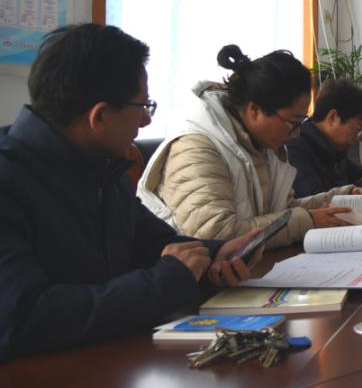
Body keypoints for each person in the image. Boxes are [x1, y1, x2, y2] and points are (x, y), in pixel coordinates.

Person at [0, 24, 261, 362]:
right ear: (99, 116)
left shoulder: (104, 168)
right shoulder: (10, 179)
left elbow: (154, 245)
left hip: (108, 364)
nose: (146, 121)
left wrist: (216, 255)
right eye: (143, 106)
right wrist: (168, 282)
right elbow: (21, 318)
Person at [138, 46, 360, 246]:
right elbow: (215, 233)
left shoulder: (262, 143)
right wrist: (308, 221)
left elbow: (283, 209)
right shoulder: (196, 147)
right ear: (255, 110)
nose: (297, 133)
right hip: (189, 273)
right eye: (293, 122)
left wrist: (342, 197)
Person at [287, 78, 362, 197]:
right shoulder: (295, 149)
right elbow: (313, 198)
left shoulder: (336, 152)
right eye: (358, 129)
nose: (357, 138)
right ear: (332, 117)